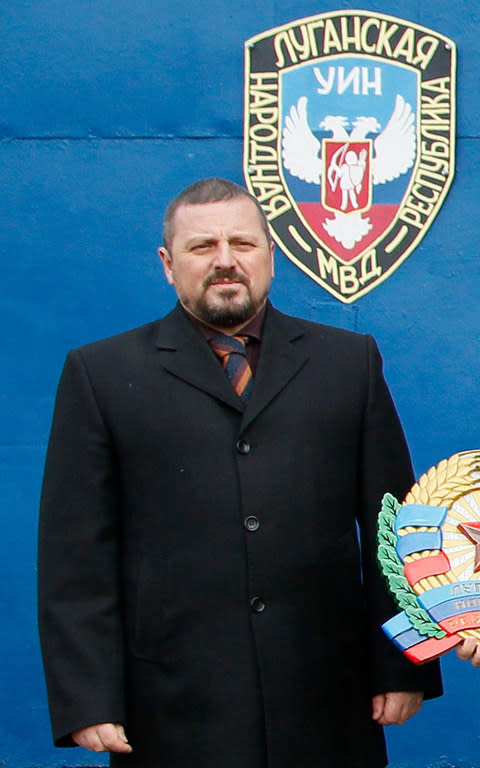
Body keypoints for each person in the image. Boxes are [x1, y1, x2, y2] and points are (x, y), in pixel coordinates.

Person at [38, 177, 442, 768]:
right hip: (171, 710)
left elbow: (394, 528)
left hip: (328, 702)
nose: (225, 261)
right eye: (202, 247)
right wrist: (87, 696)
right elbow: (76, 555)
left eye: (242, 244)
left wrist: (405, 661)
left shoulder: (347, 363)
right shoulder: (100, 374)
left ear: (270, 257)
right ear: (168, 264)